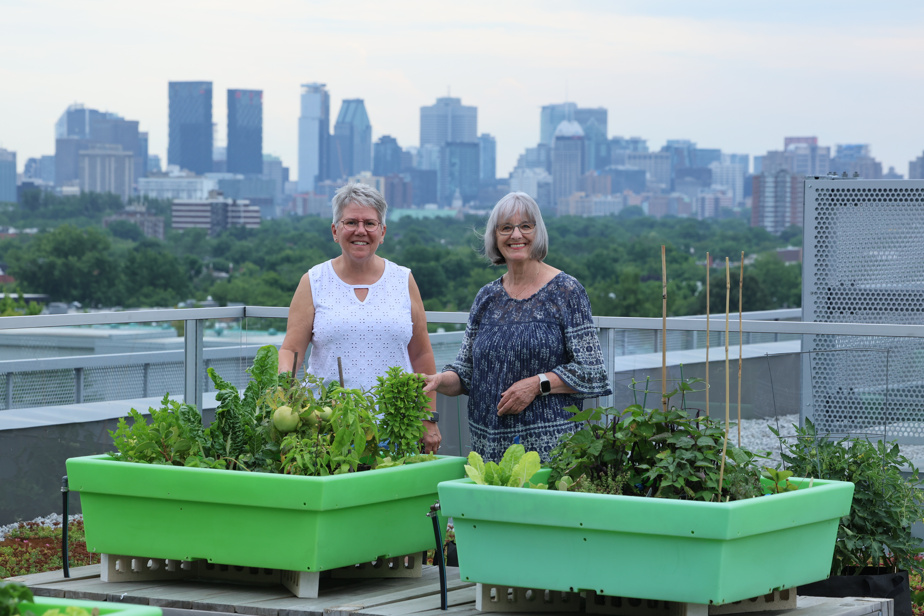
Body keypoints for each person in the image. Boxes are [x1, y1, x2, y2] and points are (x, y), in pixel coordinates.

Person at [423, 192, 611, 462]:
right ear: (495, 236)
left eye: (525, 226)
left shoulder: (566, 291)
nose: (516, 235)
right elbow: (466, 373)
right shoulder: (486, 297)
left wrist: (538, 384)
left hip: (549, 453)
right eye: (506, 228)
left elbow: (592, 372)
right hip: (487, 450)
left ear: (538, 232)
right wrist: (439, 380)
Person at [279, 182, 441, 453]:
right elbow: (291, 349)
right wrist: (287, 396)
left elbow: (422, 355)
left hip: (397, 427)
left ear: (383, 232)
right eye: (350, 222)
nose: (360, 231)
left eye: (370, 223)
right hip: (328, 427)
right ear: (335, 230)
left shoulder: (403, 279)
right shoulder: (314, 281)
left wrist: (429, 417)